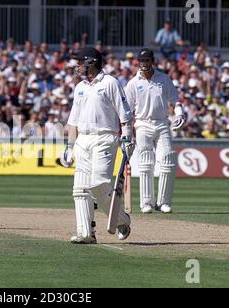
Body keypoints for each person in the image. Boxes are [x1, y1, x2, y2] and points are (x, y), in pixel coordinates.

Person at [60, 47, 134, 245]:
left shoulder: (110, 83)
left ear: (91, 62)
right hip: (83, 140)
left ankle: (122, 219)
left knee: (99, 184)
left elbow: (124, 114)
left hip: (105, 137)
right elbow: (73, 121)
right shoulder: (80, 87)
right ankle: (86, 233)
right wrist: (69, 147)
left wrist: (127, 137)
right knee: (80, 189)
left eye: (80, 62)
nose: (77, 66)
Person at [125, 48, 185, 214]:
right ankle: (146, 203)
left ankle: (163, 202)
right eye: (141, 61)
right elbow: (127, 111)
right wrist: (127, 135)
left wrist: (180, 114)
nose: (143, 64)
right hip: (142, 124)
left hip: (162, 123)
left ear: (152, 61)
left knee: (167, 160)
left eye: (146, 61)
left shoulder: (163, 79)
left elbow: (176, 101)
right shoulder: (133, 83)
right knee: (145, 163)